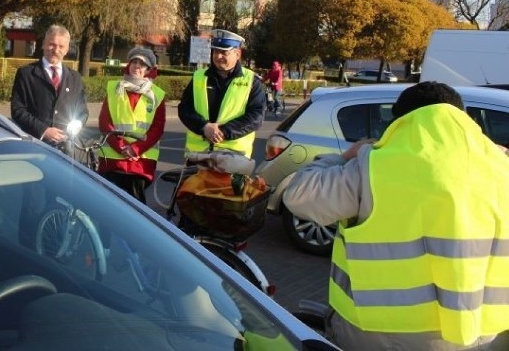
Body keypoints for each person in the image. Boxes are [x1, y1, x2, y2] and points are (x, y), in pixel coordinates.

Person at [283, 82, 509, 350]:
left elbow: (298, 196)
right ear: (461, 115)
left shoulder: (372, 166)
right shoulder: (501, 166)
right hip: (483, 335)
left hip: (380, 335)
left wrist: (344, 157)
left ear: (400, 121)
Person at [178, 29, 266, 158]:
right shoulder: (199, 77)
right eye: (215, 51)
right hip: (197, 156)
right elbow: (184, 109)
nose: (218, 56)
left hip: (233, 157)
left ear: (237, 54)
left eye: (224, 52)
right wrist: (204, 127)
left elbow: (256, 116)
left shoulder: (252, 81)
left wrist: (224, 131)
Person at [97, 46, 166, 203]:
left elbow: (157, 128)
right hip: (112, 160)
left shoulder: (157, 95)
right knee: (107, 207)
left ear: (148, 70)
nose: (137, 66)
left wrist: (135, 149)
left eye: (142, 64)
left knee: (135, 210)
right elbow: (104, 122)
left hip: (140, 164)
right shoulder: (114, 88)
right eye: (134, 62)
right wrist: (121, 147)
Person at [11, 24, 88, 146]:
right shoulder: (26, 74)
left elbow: (82, 112)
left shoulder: (75, 78)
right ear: (43, 44)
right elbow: (18, 110)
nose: (56, 50)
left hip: (66, 148)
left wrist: (74, 128)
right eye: (52, 44)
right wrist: (43, 130)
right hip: (34, 144)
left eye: (61, 46)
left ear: (67, 49)